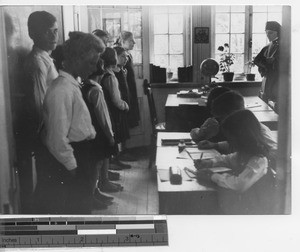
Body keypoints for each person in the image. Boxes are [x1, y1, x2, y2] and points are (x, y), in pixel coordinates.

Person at [36, 31, 104, 214]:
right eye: (91, 62)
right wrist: (74, 169)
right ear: (76, 58)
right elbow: (56, 139)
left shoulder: (72, 85)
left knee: (83, 209)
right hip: (72, 159)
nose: (95, 67)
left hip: (81, 155)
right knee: (76, 213)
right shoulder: (61, 90)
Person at [194, 110, 276, 214]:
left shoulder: (259, 160)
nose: (230, 142)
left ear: (243, 138)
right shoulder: (244, 154)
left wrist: (212, 176)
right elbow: (228, 159)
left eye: (232, 139)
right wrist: (210, 162)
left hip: (257, 212)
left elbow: (239, 184)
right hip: (244, 204)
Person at [197, 91, 277, 159]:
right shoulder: (242, 129)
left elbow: (274, 152)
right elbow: (237, 144)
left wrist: (256, 159)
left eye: (222, 118)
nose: (221, 123)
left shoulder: (259, 131)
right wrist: (215, 145)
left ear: (234, 114)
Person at [81, 59, 117, 209]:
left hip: (91, 131)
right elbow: (103, 117)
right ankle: (91, 196)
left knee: (95, 164)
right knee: (96, 164)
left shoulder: (86, 85)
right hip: (99, 133)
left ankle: (94, 193)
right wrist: (110, 135)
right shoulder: (96, 89)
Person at [23, 10, 59, 148]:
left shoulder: (46, 58)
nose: (53, 36)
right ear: (33, 34)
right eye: (47, 32)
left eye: (55, 30)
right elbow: (40, 103)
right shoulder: (37, 61)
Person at [100, 47, 131, 178]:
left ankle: (112, 163)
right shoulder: (110, 77)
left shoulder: (105, 74)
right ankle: (112, 163)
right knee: (114, 137)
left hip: (110, 110)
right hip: (114, 111)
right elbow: (116, 99)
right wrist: (125, 106)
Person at [115, 31, 140, 128]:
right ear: (122, 41)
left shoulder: (128, 55)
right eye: (131, 40)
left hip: (130, 90)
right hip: (123, 92)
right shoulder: (119, 55)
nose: (134, 42)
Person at [254, 21, 281, 111]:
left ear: (278, 32)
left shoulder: (283, 46)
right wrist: (265, 64)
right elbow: (257, 60)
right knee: (265, 106)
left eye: (271, 33)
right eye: (266, 33)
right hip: (267, 80)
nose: (268, 35)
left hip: (277, 82)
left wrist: (274, 62)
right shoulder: (268, 45)